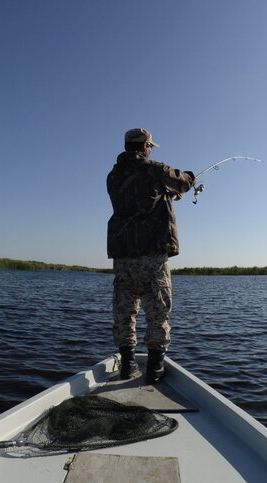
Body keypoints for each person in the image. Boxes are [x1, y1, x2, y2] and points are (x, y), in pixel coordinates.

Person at [106, 128, 195, 383]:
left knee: (125, 311)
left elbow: (142, 200)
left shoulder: (112, 176)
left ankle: (127, 365)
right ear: (145, 146)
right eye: (150, 146)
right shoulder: (154, 169)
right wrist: (188, 176)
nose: (151, 150)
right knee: (157, 311)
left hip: (123, 257)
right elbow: (184, 182)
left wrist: (167, 196)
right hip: (152, 256)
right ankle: (155, 368)